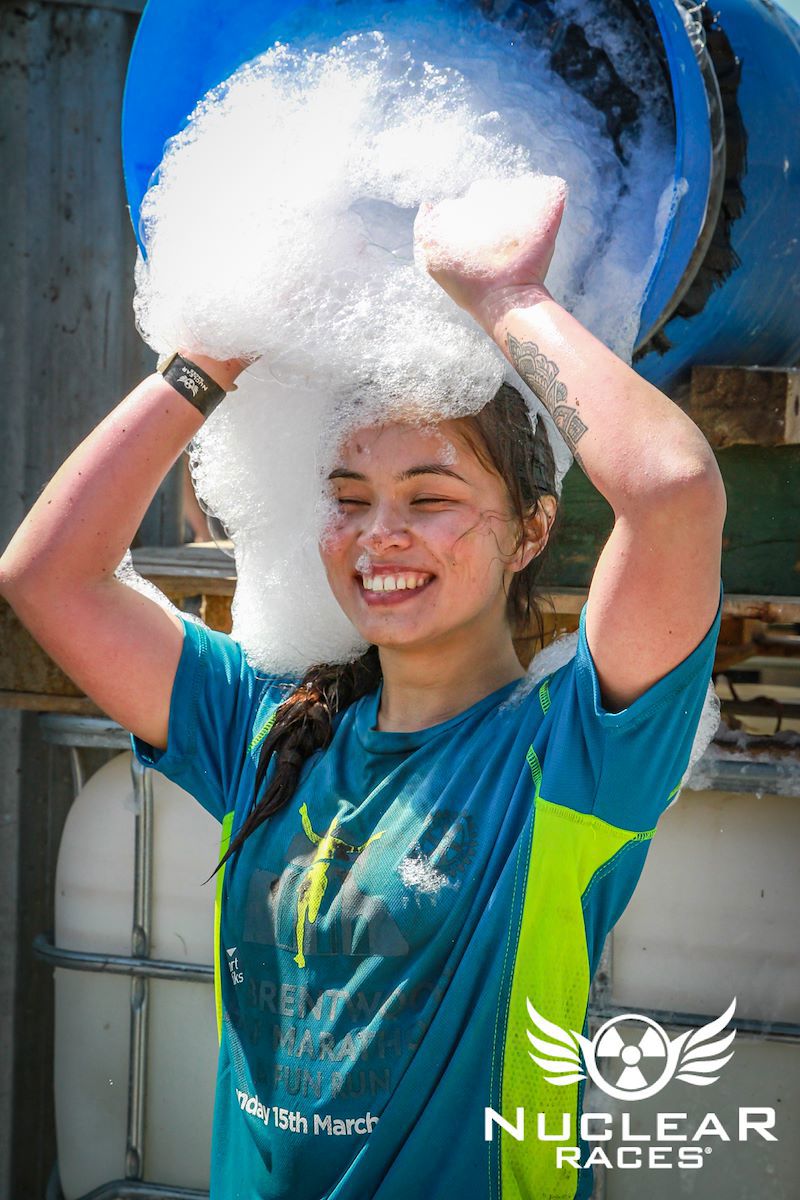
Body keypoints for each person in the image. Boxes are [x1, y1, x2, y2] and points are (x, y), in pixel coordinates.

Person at [0, 179, 726, 1199]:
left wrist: (501, 297)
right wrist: (216, 355)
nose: (379, 533)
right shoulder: (266, 725)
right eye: (349, 499)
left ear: (529, 531)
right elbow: (48, 577)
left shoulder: (570, 761)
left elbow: (670, 491)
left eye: (430, 498)